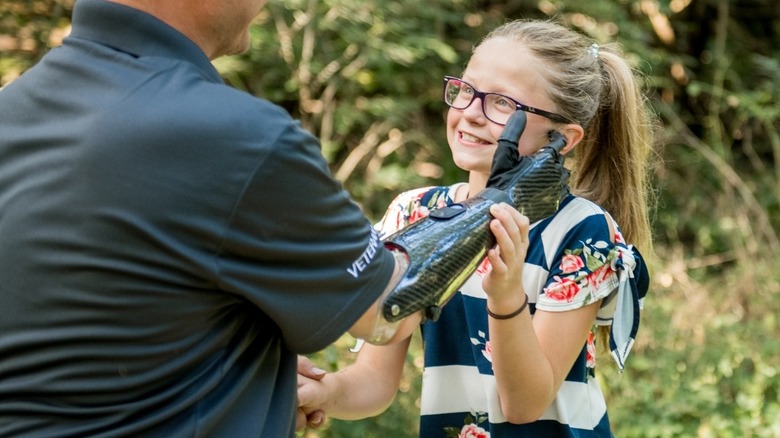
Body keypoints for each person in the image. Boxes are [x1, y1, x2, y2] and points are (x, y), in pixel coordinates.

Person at [0, 0, 422, 436]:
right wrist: (458, 212)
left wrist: (236, 372)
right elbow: (386, 311)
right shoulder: (238, 137)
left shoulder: (11, 110)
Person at [297, 18, 654, 436]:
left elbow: (524, 404)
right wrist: (325, 392)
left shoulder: (582, 232)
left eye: (502, 103)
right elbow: (374, 379)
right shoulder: (414, 213)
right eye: (466, 90)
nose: (470, 112)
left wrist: (506, 294)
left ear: (562, 138)